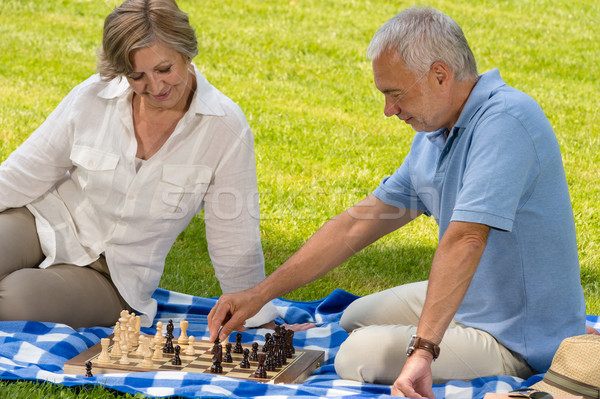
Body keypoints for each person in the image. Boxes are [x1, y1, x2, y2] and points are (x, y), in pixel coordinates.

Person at [208, 6, 588, 398]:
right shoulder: (436, 133)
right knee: (353, 317)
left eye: (395, 93)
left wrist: (423, 352)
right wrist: (260, 294)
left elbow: (466, 240)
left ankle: (500, 348)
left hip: (519, 333)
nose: (389, 109)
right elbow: (358, 224)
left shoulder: (506, 121)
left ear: (440, 75)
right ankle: (443, 325)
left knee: (357, 355)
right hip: (474, 297)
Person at [0, 0, 277, 330]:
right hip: (44, 220)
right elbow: (23, 173)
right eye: (136, 76)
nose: (156, 87)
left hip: (114, 278)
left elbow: (234, 236)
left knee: (12, 300)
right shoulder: (92, 96)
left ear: (186, 53)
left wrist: (257, 317)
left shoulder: (225, 127)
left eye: (164, 69)